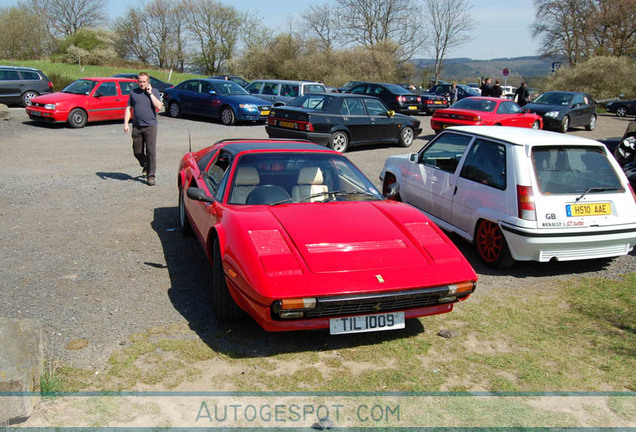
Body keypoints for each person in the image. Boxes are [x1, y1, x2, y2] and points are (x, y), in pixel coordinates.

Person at [124, 72, 162, 186]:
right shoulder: (133, 93)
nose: (141, 84)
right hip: (137, 126)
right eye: (140, 81)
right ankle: (145, 164)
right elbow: (128, 108)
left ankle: (151, 176)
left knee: (151, 152)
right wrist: (126, 123)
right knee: (137, 151)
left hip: (150, 126)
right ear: (137, 81)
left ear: (148, 81)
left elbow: (159, 106)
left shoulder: (154, 92)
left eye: (144, 81)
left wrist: (150, 93)